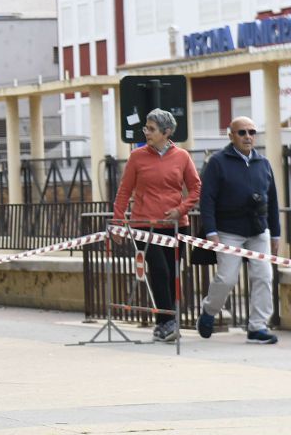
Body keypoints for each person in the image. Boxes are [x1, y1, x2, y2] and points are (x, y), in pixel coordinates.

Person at [112, 108, 201, 343]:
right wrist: (117, 222)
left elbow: (195, 188)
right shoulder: (136, 157)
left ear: (167, 132)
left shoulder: (182, 156)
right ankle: (169, 321)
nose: (146, 133)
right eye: (146, 128)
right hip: (144, 225)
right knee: (159, 270)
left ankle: (163, 324)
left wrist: (180, 210)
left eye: (151, 129)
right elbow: (124, 191)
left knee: (172, 274)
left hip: (176, 226)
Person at [196, 117, 280, 344]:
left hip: (258, 230)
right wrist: (211, 231)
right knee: (227, 278)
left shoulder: (263, 163)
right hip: (228, 230)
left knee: (264, 275)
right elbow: (207, 200)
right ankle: (209, 311)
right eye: (242, 132)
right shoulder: (217, 162)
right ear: (231, 135)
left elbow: (272, 200)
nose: (248, 136)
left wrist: (276, 234)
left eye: (252, 132)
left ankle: (257, 327)